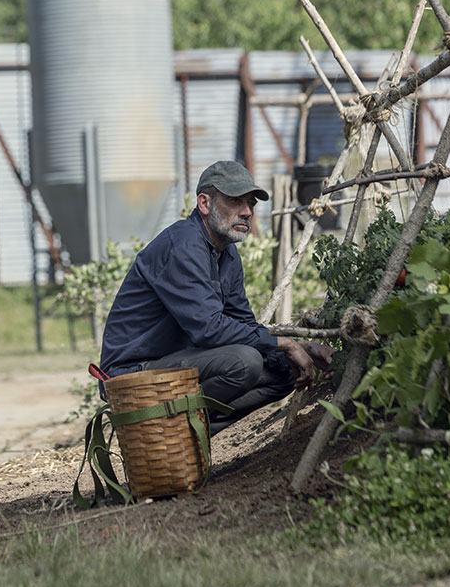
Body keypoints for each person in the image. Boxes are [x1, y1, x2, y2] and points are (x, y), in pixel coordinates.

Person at [99, 160, 334, 434]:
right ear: (205, 203)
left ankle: (189, 436)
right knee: (243, 362)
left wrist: (303, 348)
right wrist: (284, 343)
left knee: (283, 371)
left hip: (176, 364)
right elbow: (209, 330)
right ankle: (168, 431)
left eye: (251, 204)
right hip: (130, 374)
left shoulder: (227, 253)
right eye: (236, 201)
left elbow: (243, 324)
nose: (247, 212)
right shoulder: (183, 246)